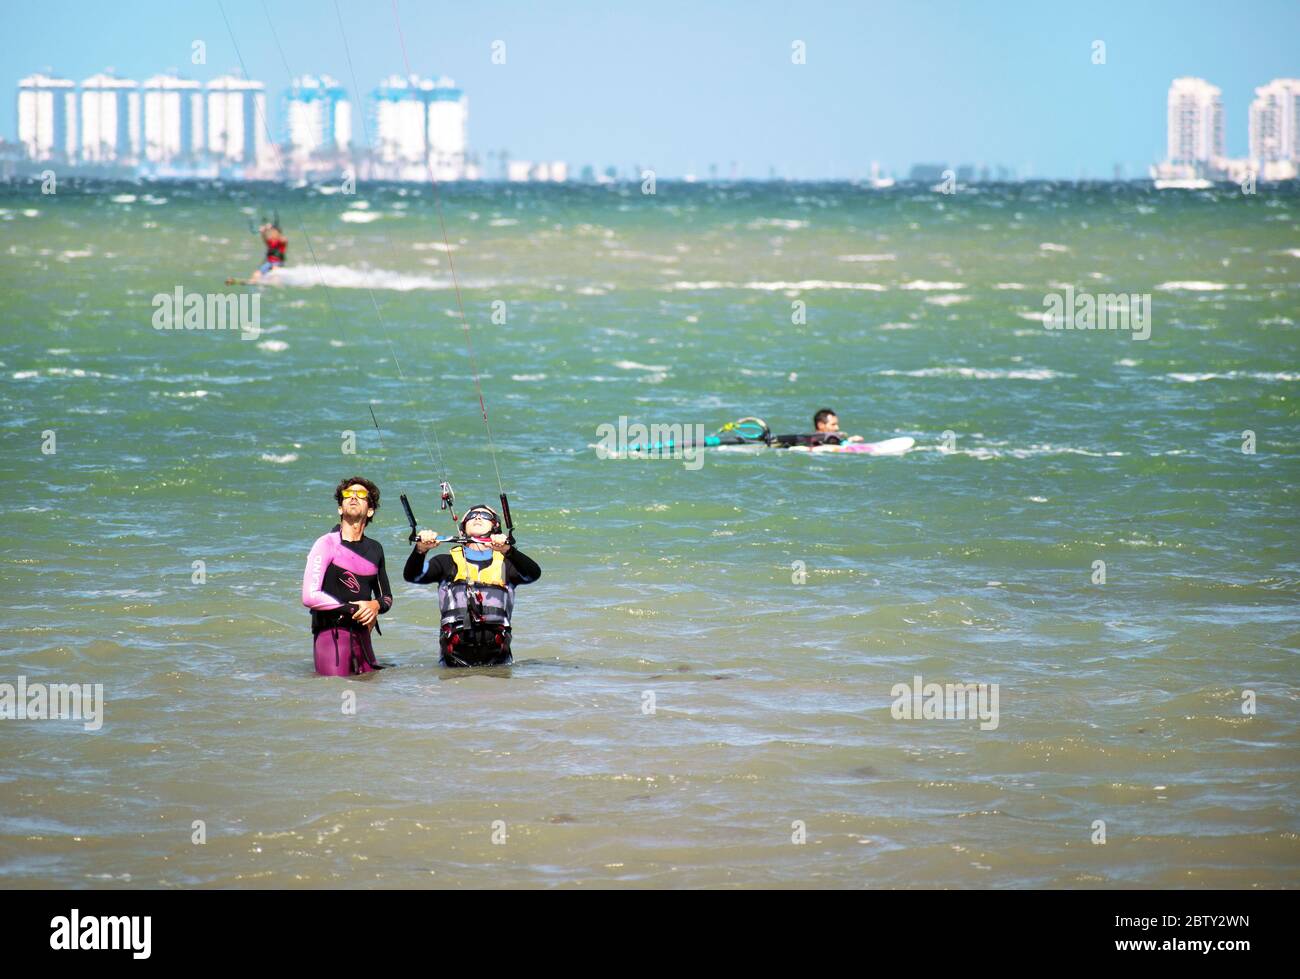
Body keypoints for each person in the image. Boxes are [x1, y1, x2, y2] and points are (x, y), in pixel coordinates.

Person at [403, 503, 541, 667]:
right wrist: (421, 550)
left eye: (485, 516)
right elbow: (413, 575)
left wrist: (508, 550)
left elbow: (533, 574)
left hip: (498, 662)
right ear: (462, 529)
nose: (477, 517)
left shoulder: (507, 564)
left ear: (496, 528)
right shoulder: (445, 563)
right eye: (472, 516)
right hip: (453, 662)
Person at [301, 477, 394, 676]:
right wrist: (354, 608)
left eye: (361, 495)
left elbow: (386, 597)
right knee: (335, 692)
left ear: (370, 510)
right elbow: (309, 596)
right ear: (340, 508)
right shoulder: (325, 544)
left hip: (362, 637)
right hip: (331, 635)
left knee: (371, 695)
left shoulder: (375, 549)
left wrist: (374, 606)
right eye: (347, 494)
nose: (353, 496)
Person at [771, 408, 865, 447]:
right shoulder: (825, 437)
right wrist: (850, 440)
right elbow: (833, 440)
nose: (837, 427)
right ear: (821, 425)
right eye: (833, 424)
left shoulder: (822, 438)